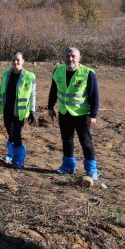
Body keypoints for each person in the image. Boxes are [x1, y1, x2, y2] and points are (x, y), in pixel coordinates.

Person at [47, 46, 100, 179]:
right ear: (63, 58)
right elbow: (53, 90)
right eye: (67, 56)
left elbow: (94, 96)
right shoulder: (58, 71)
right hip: (64, 113)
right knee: (67, 140)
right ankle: (68, 166)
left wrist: (93, 115)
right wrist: (50, 107)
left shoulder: (88, 73)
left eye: (73, 56)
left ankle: (91, 169)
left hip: (82, 115)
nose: (70, 59)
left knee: (86, 142)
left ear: (79, 58)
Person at [0, 52, 36, 169]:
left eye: (18, 60)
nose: (15, 62)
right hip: (7, 109)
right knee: (10, 133)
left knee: (17, 134)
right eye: (13, 60)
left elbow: (32, 95)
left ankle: (18, 158)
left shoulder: (30, 76)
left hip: (20, 112)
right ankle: (12, 153)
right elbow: (2, 90)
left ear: (23, 61)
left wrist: (32, 111)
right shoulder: (6, 73)